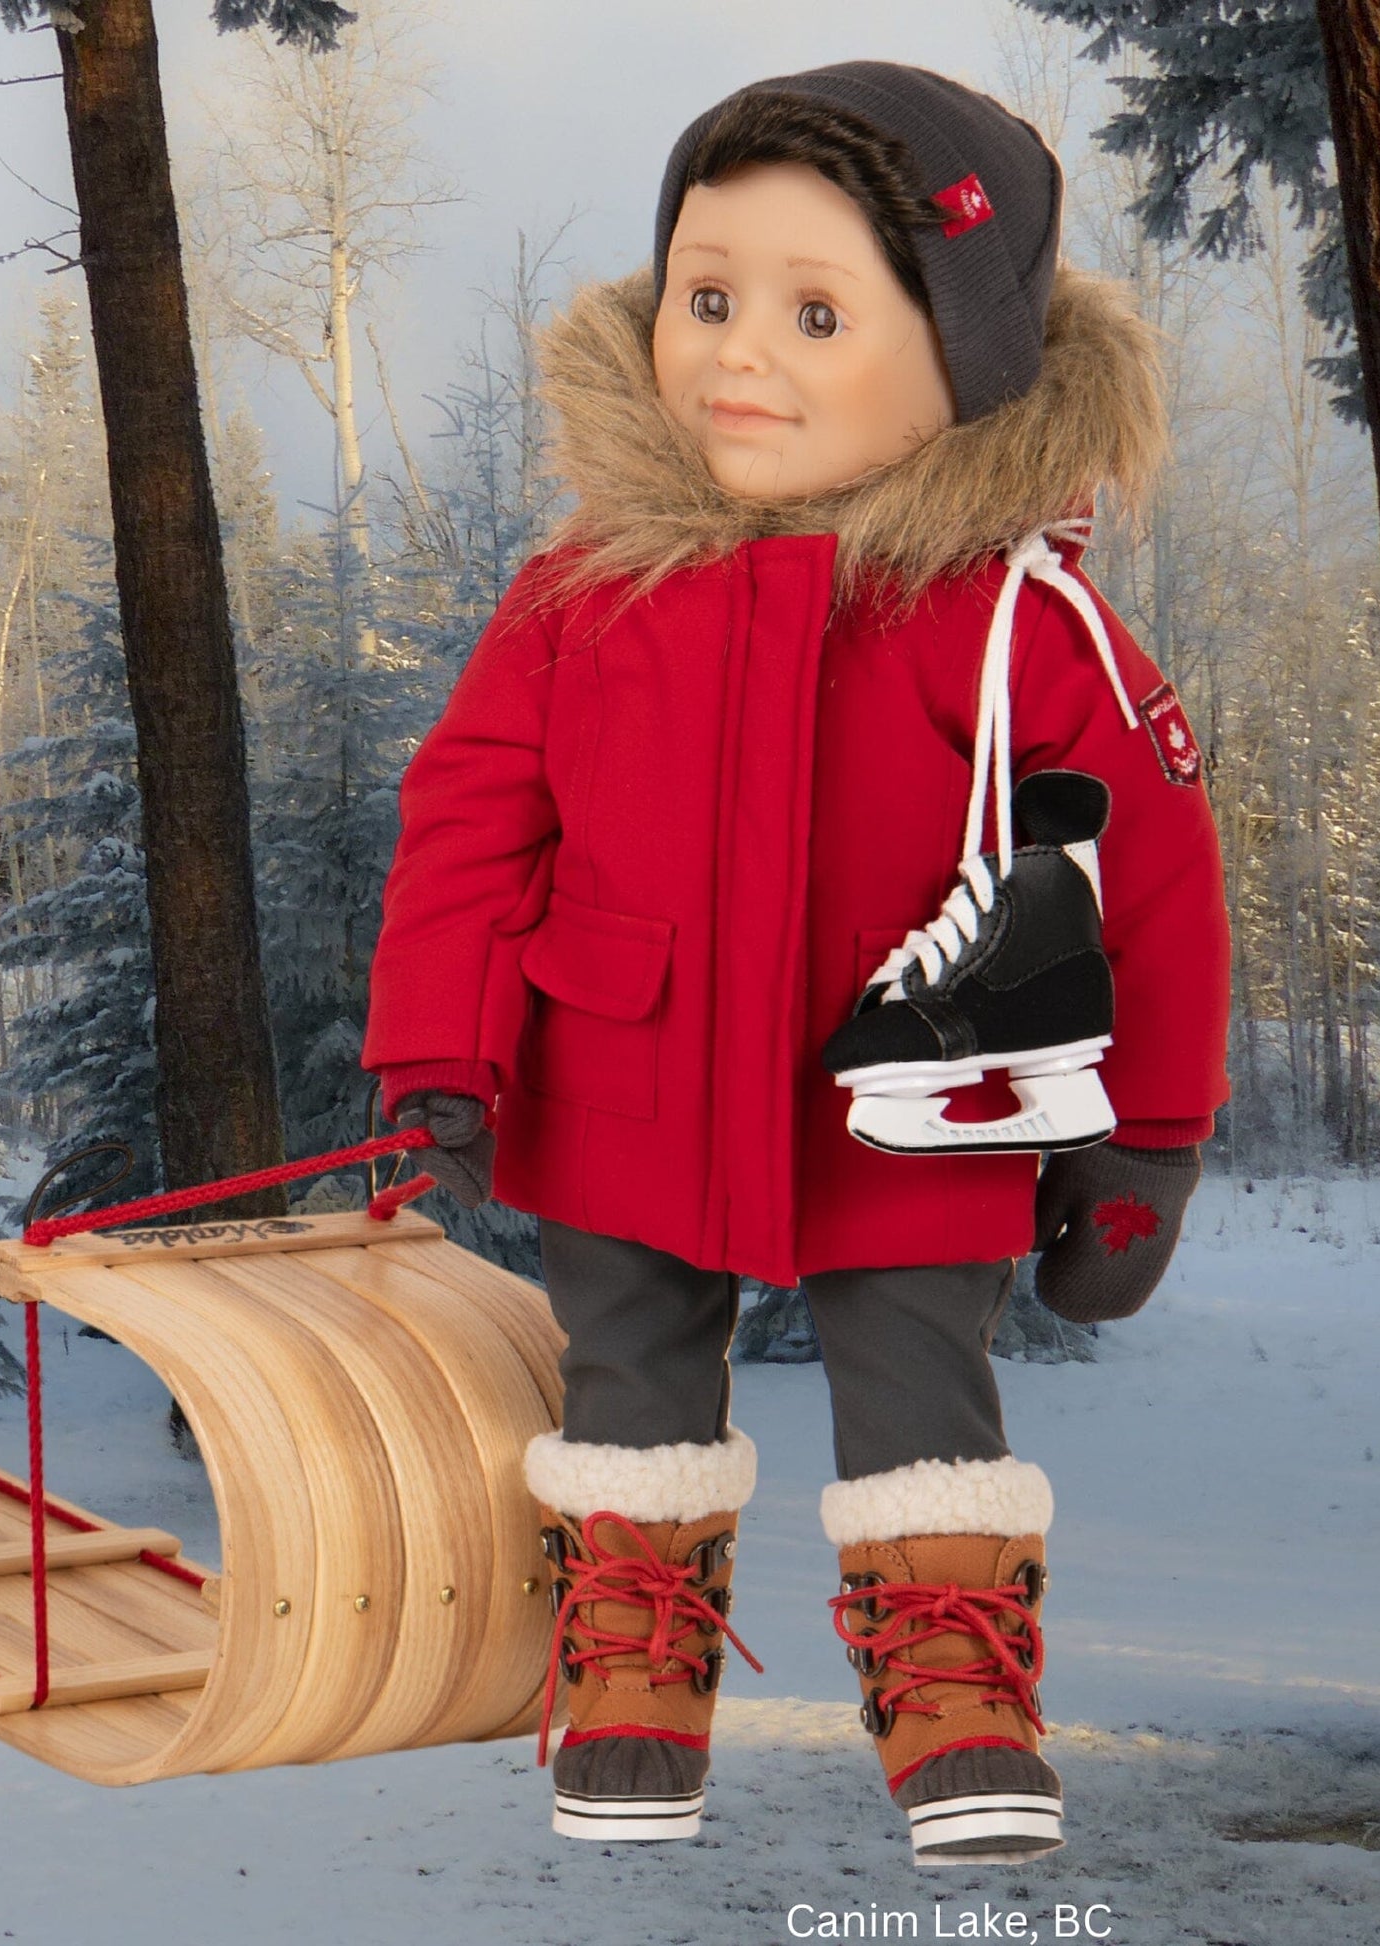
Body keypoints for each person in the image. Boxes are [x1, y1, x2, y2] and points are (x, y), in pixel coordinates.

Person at [362, 61, 1229, 1867]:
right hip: (624, 1063)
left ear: (966, 362)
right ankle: (630, 1661)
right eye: (708, 294)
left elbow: (1150, 866)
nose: (737, 352)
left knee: (922, 1385)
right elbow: (467, 823)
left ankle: (952, 1670)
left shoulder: (1012, 623)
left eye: (816, 310)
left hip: (906, 1097)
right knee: (629, 1375)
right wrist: (440, 1051)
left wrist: (1144, 1137)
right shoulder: (584, 591)